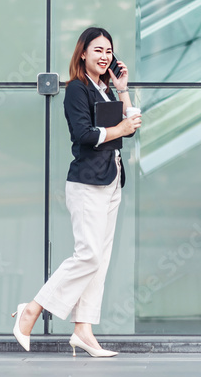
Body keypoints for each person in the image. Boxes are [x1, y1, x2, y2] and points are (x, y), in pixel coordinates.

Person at [11, 27, 141, 357]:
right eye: (97, 50)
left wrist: (123, 90)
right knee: (89, 255)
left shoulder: (107, 89)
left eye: (109, 51)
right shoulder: (76, 90)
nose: (104, 56)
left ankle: (83, 329)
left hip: (111, 180)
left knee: (100, 260)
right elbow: (83, 133)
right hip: (86, 183)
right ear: (82, 53)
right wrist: (119, 130)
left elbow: (132, 123)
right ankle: (33, 309)